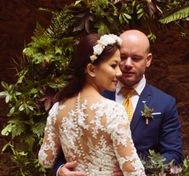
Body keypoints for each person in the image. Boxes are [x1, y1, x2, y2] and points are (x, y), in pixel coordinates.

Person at [57, 29, 183, 176]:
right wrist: (60, 170)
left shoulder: (164, 103)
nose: (128, 64)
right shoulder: (93, 96)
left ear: (148, 60)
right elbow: (63, 147)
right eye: (122, 57)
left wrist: (133, 168)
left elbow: (174, 155)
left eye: (136, 58)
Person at [38, 33, 146, 176]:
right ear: (91, 69)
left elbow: (45, 160)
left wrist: (61, 171)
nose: (119, 72)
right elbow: (135, 173)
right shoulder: (113, 111)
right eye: (113, 66)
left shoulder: (57, 109)